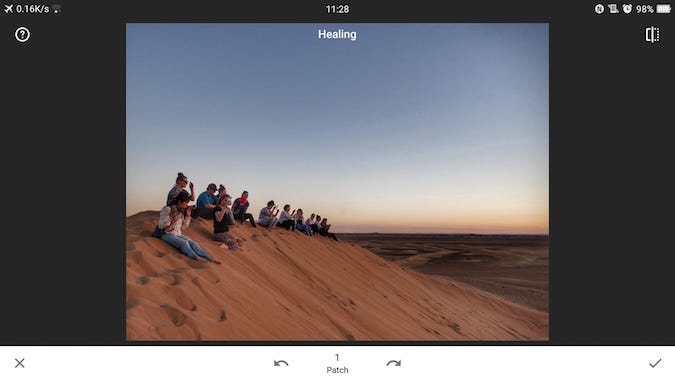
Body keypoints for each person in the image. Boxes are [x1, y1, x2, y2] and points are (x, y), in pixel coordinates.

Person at [155, 190, 221, 264]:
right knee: (184, 243)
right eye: (185, 202)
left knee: (194, 243)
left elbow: (183, 227)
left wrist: (188, 216)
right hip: (165, 234)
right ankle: (196, 257)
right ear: (179, 201)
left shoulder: (181, 211)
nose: (187, 205)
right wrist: (171, 216)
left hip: (177, 234)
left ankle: (209, 258)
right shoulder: (167, 209)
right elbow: (161, 226)